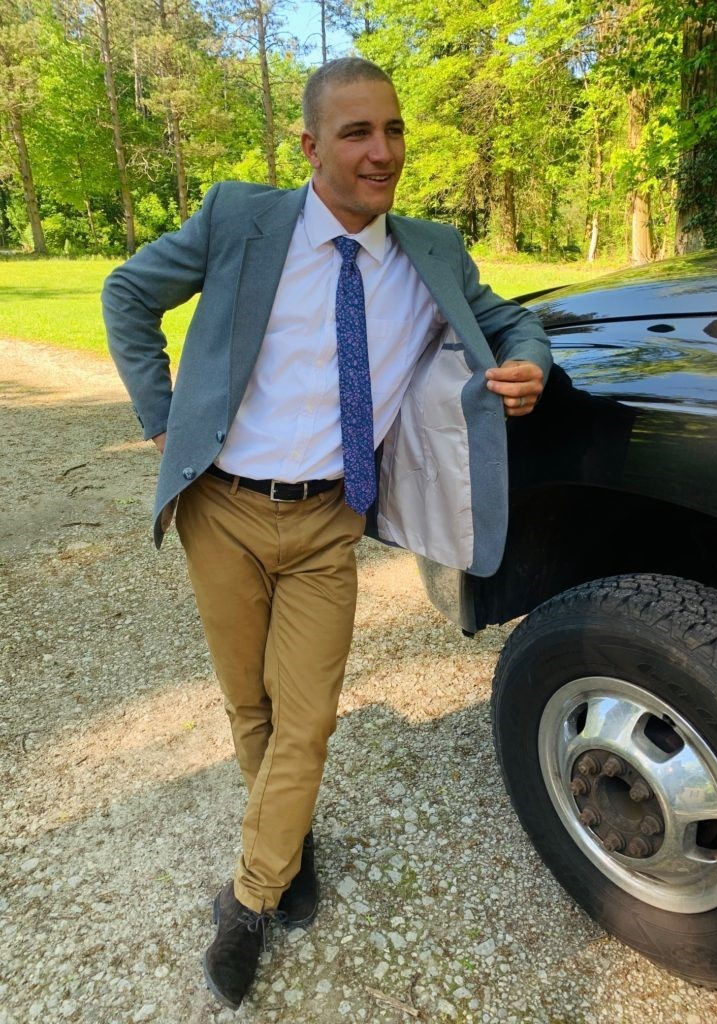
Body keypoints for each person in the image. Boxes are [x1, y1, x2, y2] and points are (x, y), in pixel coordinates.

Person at [102, 56, 552, 1011]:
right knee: (249, 704)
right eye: (356, 133)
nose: (381, 151)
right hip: (220, 510)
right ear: (310, 146)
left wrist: (528, 364)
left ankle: (250, 894)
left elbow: (513, 321)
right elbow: (126, 295)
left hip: (326, 523)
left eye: (391, 130)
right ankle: (290, 840)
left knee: (305, 714)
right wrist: (159, 412)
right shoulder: (239, 219)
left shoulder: (431, 251)